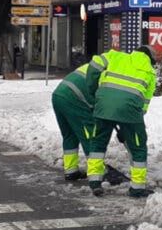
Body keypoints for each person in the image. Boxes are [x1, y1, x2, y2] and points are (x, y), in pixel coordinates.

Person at [86, 45, 156, 198]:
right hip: (130, 112)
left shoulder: (115, 56)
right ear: (150, 59)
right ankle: (137, 188)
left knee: (98, 142)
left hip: (103, 106)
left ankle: (94, 181)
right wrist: (129, 129)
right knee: (138, 148)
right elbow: (143, 106)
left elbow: (94, 66)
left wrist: (93, 92)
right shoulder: (150, 72)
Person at [51, 64, 125, 184]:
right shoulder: (113, 78)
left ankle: (71, 171)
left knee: (70, 134)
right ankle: (98, 171)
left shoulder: (100, 66)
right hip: (74, 97)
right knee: (91, 135)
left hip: (58, 95)